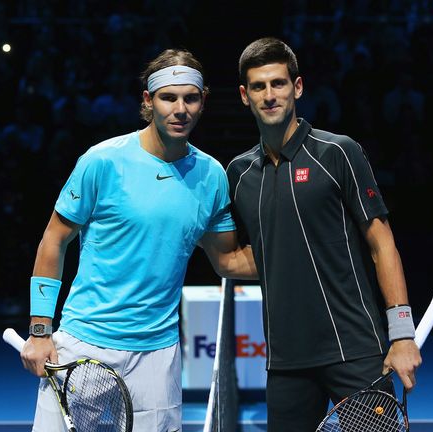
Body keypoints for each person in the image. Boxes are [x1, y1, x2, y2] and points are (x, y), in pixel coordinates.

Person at [20, 48, 257, 432]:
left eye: (191, 98)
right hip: (85, 343)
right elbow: (54, 239)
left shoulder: (212, 176)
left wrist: (298, 259)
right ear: (149, 100)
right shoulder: (102, 161)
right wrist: (40, 330)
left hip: (157, 357)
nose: (180, 109)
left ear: (203, 101)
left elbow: (227, 259)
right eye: (168, 97)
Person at [226, 37, 421, 431]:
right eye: (259, 87)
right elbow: (252, 256)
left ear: (297, 87)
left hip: (355, 348)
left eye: (278, 84)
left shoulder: (338, 153)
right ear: (245, 96)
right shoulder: (239, 174)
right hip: (285, 362)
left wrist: (401, 334)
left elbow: (382, 244)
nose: (270, 95)